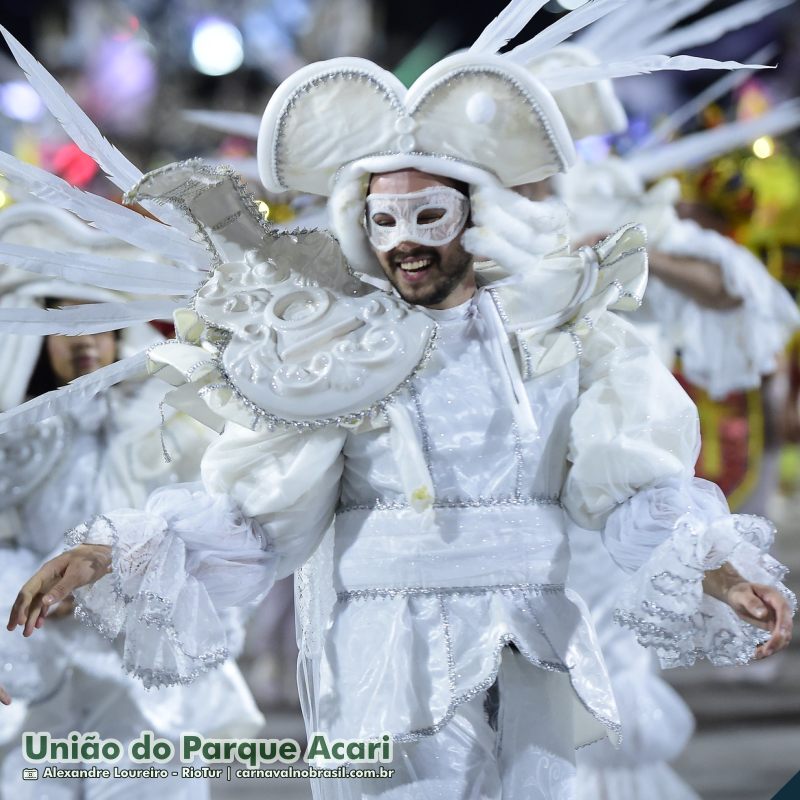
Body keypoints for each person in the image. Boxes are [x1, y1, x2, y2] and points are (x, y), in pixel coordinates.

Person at [0, 6, 794, 800]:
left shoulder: (565, 335)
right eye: (383, 220)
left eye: (428, 216)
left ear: (476, 214)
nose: (403, 240)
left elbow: (634, 486)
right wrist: (115, 553)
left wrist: (719, 572)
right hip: (390, 662)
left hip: (535, 650)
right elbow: (255, 517)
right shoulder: (337, 356)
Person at [0, 202, 264, 799]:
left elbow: (213, 529)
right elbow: (7, 540)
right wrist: (28, 590)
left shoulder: (173, 426)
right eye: (67, 328)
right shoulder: (20, 434)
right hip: (44, 665)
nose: (85, 343)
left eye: (97, 324)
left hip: (145, 668)